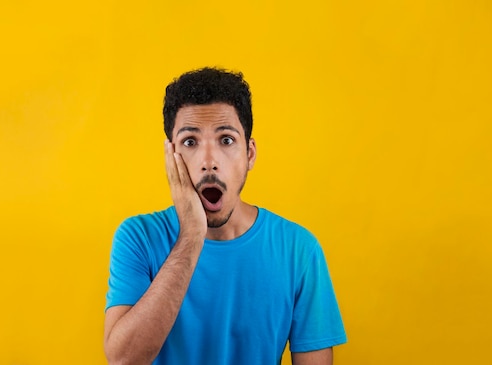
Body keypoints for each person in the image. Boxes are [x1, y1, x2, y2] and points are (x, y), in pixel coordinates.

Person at [103, 67, 346, 365]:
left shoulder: (298, 250)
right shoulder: (138, 238)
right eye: (190, 142)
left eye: (227, 140)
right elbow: (123, 360)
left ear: (250, 154)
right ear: (171, 156)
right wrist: (192, 235)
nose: (209, 162)